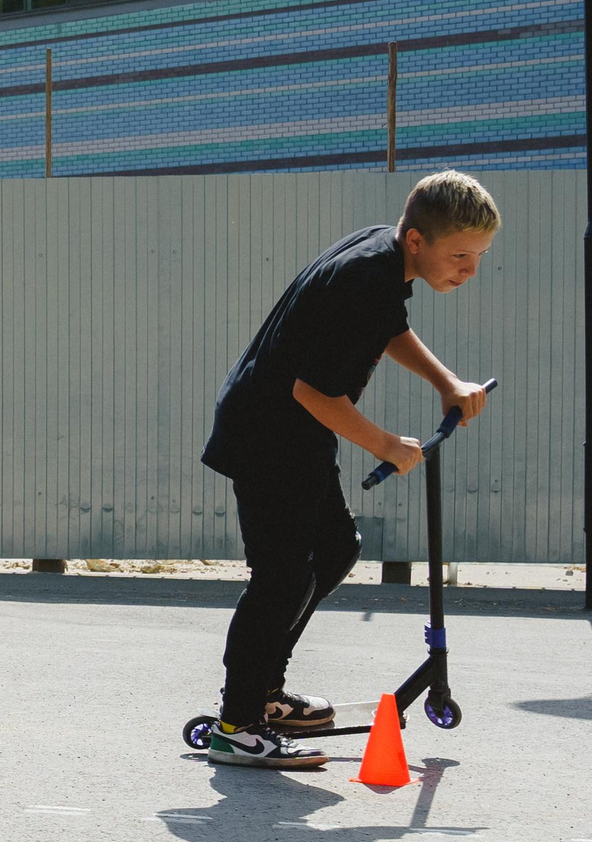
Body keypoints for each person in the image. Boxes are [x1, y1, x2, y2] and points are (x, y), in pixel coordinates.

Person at [198, 171, 497, 769]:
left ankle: (264, 695)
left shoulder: (382, 259)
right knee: (281, 576)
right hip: (270, 433)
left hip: (294, 435)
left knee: (333, 550)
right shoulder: (365, 277)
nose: (470, 269)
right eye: (460, 254)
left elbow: (388, 329)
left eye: (479, 256)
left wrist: (447, 382)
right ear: (417, 240)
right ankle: (237, 723)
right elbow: (314, 393)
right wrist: (387, 444)